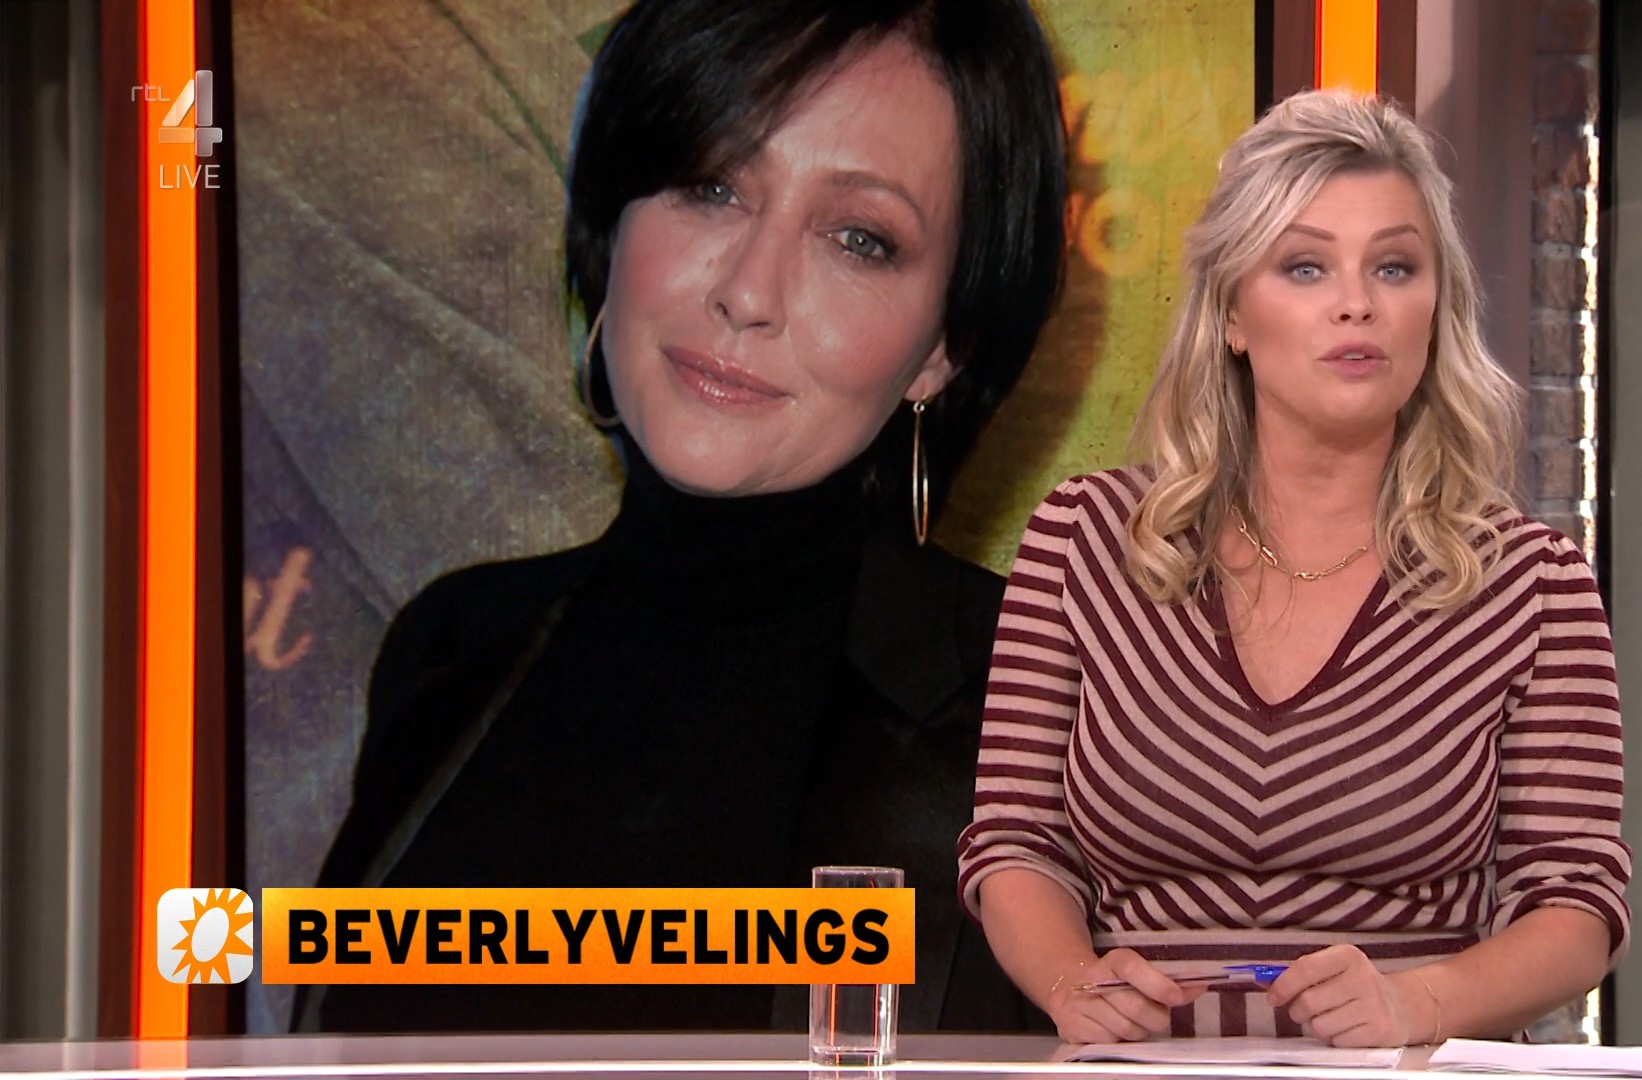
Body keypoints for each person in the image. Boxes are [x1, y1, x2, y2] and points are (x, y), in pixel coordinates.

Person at [298, 0, 1066, 1034]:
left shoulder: (1054, 710)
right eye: (711, 185)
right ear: (615, 219)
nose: (748, 291)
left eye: (859, 238)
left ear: (943, 348)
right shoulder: (452, 652)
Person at [957, 90, 1629, 1045]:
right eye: (1306, 267)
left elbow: (1577, 905)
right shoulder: (1084, 541)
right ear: (1233, 312)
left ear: (1436, 310)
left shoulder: (1531, 586)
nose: (1357, 302)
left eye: (1394, 267)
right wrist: (1074, 985)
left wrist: (1413, 1005)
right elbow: (1016, 845)